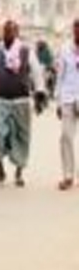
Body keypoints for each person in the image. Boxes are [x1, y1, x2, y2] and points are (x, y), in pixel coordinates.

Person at [0, 19, 47, 188]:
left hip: (22, 101)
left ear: (17, 33)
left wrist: (40, 95)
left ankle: (19, 172)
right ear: (3, 33)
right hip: (0, 100)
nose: (9, 34)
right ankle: (0, 171)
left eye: (12, 31)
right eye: (6, 31)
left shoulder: (26, 51)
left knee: (22, 136)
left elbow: (37, 73)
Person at [54, 19, 79, 190]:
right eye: (76, 30)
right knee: (65, 136)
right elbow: (60, 76)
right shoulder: (65, 49)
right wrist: (58, 100)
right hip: (68, 98)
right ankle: (68, 176)